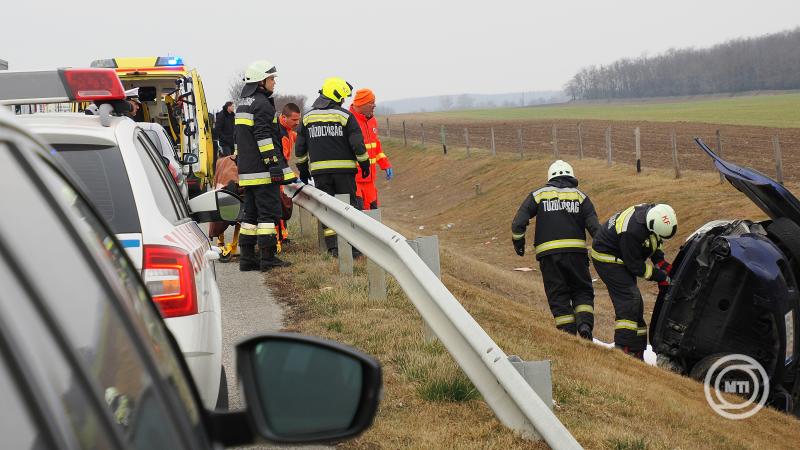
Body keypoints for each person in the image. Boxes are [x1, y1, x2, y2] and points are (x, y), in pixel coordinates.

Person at [511, 160, 601, 339]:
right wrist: (604, 251)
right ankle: (584, 325)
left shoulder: (538, 194)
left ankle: (567, 334)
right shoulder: (581, 197)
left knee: (558, 293)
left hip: (549, 257)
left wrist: (518, 243)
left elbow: (518, 222)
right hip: (576, 255)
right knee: (582, 290)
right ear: (571, 175)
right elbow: (595, 229)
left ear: (550, 176)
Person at [591, 203, 677, 359]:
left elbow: (655, 239)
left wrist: (660, 261)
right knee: (629, 299)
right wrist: (661, 276)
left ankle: (637, 352)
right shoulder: (631, 231)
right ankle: (623, 350)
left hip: (623, 254)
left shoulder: (654, 215)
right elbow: (635, 266)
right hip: (607, 257)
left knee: (637, 304)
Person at [295, 77, 369, 256]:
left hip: (320, 174)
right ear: (336, 96)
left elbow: (300, 148)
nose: (344, 101)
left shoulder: (307, 117)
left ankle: (333, 247)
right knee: (348, 208)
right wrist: (365, 163)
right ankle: (352, 247)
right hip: (344, 173)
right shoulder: (345, 116)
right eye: (343, 98)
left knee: (327, 210)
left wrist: (303, 170)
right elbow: (357, 144)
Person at [235, 60, 296, 272]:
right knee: (268, 215)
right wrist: (273, 165)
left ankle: (247, 258)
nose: (274, 82)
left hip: (247, 171)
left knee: (250, 215)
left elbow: (241, 138)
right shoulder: (262, 104)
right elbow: (263, 137)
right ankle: (268, 258)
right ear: (261, 81)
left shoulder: (243, 103)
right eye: (271, 79)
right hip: (262, 171)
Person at [349, 89, 393, 210]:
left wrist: (385, 164)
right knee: (357, 218)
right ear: (361, 104)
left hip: (370, 181)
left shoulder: (372, 121)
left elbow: (376, 146)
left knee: (373, 218)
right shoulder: (348, 120)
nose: (374, 105)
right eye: (371, 102)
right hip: (354, 180)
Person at [276, 102, 302, 244]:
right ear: (284, 117)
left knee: (282, 204)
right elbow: (281, 162)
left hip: (281, 172)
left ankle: (282, 236)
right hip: (276, 173)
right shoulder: (279, 133)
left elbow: (296, 136)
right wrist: (292, 177)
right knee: (279, 205)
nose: (297, 123)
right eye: (294, 120)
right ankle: (279, 238)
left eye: (298, 119)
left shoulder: (288, 131)